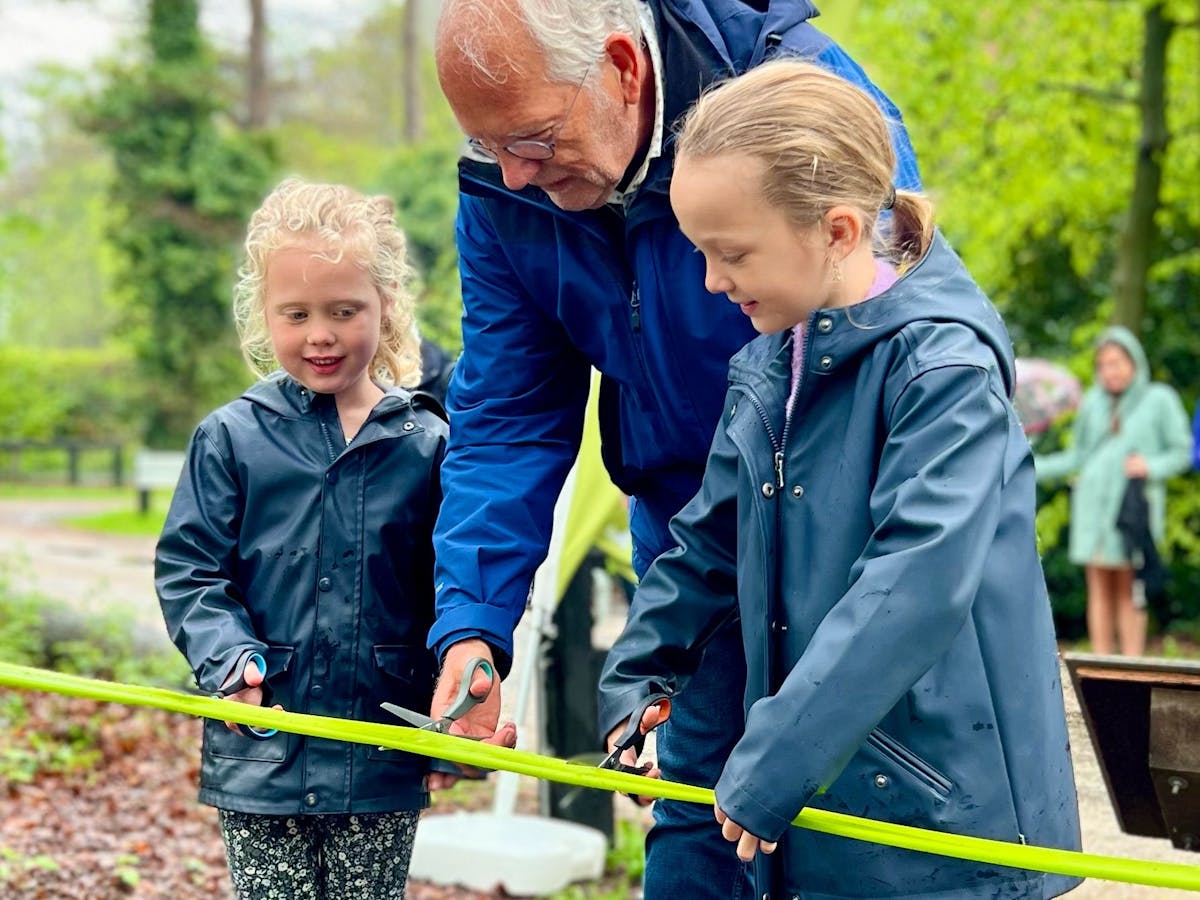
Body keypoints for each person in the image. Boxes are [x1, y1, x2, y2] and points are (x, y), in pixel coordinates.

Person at [428, 0, 920, 895]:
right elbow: (506, 412)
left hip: (837, 552)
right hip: (686, 549)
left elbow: (893, 367)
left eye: (534, 140)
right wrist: (473, 628)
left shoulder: (803, 102)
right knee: (695, 816)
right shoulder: (501, 186)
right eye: (489, 144)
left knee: (843, 835)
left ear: (621, 66)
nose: (513, 173)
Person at [598, 59, 1082, 898]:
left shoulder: (943, 369)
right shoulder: (765, 367)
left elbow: (915, 582)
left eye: (731, 253)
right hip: (825, 806)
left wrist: (778, 756)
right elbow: (707, 545)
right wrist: (642, 663)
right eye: (702, 253)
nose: (712, 280)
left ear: (838, 230)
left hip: (941, 831)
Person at [155, 177, 458, 899]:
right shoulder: (230, 437)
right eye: (296, 314)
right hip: (261, 749)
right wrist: (229, 659)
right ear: (264, 317)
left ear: (385, 311)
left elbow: (451, 592)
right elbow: (190, 570)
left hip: (382, 750)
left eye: (344, 310)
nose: (319, 334)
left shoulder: (428, 443)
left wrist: (452, 733)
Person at [1035, 325, 1191, 656]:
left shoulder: (1158, 399)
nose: (1111, 370)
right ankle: (1101, 665)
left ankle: (1132, 667)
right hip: (1093, 510)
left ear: (1134, 362)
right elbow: (1077, 455)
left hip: (1134, 512)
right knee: (1099, 588)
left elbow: (1182, 452)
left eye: (1117, 362)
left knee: (1131, 589)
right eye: (1104, 364)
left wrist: (1150, 465)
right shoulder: (1093, 402)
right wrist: (1029, 464)